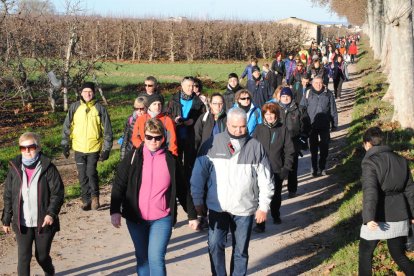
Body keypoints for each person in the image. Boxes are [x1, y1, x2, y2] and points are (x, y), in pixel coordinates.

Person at [190, 107, 274, 276]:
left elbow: (266, 180)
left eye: (242, 126)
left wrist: (263, 206)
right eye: (234, 126)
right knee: (214, 245)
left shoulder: (255, 147)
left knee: (240, 251)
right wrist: (197, 200)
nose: (238, 130)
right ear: (227, 123)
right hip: (217, 206)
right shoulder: (212, 144)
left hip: (244, 208)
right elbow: (198, 175)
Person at [111, 118, 199, 276]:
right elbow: (119, 184)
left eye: (158, 137)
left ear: (163, 137)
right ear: (144, 136)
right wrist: (115, 211)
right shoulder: (133, 157)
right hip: (136, 218)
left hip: (162, 218)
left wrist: (192, 215)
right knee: (143, 258)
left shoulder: (171, 160)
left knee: (156, 258)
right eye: (149, 137)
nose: (153, 141)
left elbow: (182, 190)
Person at [2, 132, 64, 276]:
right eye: (23, 148)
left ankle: (50, 272)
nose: (27, 151)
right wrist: (6, 219)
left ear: (38, 147)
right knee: (23, 258)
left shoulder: (48, 168)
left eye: (31, 147)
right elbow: (9, 195)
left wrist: (51, 213)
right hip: (21, 223)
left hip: (43, 223)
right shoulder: (15, 168)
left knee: (41, 257)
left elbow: (58, 193)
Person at [358, 127, 414, 276]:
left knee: (365, 253)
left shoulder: (369, 162)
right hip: (400, 214)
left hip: (378, 216)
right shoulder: (401, 160)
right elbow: (410, 189)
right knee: (398, 254)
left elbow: (370, 191)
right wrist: (412, 214)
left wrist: (369, 218)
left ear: (368, 144)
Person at [62, 82, 113, 210]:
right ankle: (86, 200)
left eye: (90, 91)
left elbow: (107, 131)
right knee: (82, 175)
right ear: (81, 93)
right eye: (85, 91)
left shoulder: (100, 109)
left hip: (94, 147)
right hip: (78, 148)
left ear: (94, 93)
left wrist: (106, 149)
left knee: (91, 172)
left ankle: (95, 197)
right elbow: (67, 127)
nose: (87, 94)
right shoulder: (74, 107)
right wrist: (65, 144)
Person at [252, 102, 295, 233]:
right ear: (264, 115)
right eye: (267, 114)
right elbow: (252, 147)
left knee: (276, 196)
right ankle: (260, 224)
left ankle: (276, 214)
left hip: (277, 169)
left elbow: (289, 150)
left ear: (276, 115)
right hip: (261, 169)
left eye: (272, 114)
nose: (269, 117)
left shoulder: (283, 129)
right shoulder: (259, 129)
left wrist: (286, 168)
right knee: (260, 196)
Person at [167, 76, 205, 181]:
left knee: (190, 164)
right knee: (176, 163)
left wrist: (193, 121)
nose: (190, 88)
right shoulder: (173, 100)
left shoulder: (199, 102)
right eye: (188, 86)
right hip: (176, 136)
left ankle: (189, 186)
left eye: (192, 86)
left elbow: (202, 118)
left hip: (191, 137)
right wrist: (174, 120)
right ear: (182, 86)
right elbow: (167, 115)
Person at [300, 76, 338, 177]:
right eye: (316, 83)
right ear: (312, 83)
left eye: (320, 83)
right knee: (313, 148)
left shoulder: (328, 93)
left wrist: (334, 124)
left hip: (324, 124)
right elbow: (302, 107)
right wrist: (304, 121)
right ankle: (314, 168)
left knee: (324, 147)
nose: (318, 85)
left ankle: (322, 167)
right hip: (311, 125)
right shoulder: (307, 93)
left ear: (323, 83)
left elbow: (333, 109)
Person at [278, 87, 310, 198]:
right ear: (280, 97)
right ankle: (277, 190)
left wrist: (303, 138)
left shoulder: (299, 109)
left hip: (293, 143)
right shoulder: (275, 109)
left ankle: (292, 190)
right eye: (283, 96)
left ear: (291, 97)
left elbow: (305, 125)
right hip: (279, 144)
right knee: (279, 167)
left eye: (287, 96)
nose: (285, 98)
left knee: (292, 167)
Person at [120, 96, 147, 160]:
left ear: (146, 108)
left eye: (142, 108)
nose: (139, 111)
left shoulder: (150, 120)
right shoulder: (131, 119)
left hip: (144, 151)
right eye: (136, 108)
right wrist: (123, 156)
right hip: (131, 150)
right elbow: (126, 138)